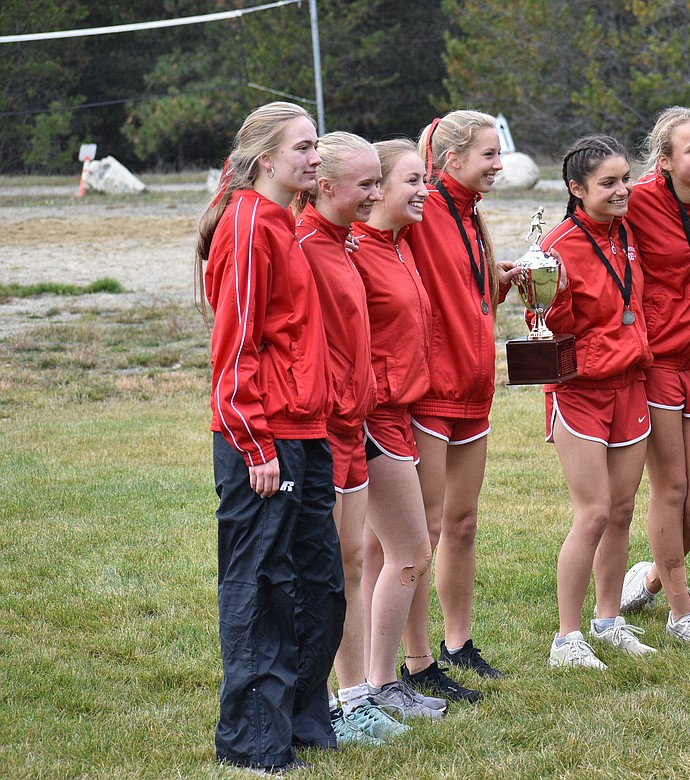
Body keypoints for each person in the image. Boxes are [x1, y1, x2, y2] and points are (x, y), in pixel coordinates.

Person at [195, 101, 345, 773]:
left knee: (318, 582)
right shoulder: (248, 226)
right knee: (261, 585)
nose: (317, 158)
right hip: (264, 436)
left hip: (306, 431)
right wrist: (254, 444)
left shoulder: (285, 223)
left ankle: (304, 724)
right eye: (304, 148)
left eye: (317, 146)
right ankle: (252, 740)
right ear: (267, 160)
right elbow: (234, 348)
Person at [294, 132, 427, 743]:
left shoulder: (346, 243)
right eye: (366, 185)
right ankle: (331, 701)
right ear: (323, 185)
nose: (376, 196)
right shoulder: (305, 247)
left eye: (381, 183)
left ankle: (355, 696)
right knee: (329, 569)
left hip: (357, 422)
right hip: (331, 426)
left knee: (350, 564)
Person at [353, 140, 483, 714]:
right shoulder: (357, 249)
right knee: (404, 553)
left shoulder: (399, 246)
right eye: (411, 180)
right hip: (376, 417)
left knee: (390, 555)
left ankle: (385, 680)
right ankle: (379, 685)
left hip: (399, 413)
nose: (422, 190)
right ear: (376, 188)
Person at [400, 110, 520, 693]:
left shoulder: (471, 214)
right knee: (423, 531)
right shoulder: (420, 210)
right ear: (451, 162)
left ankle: (458, 643)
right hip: (431, 392)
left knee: (462, 523)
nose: (499, 165)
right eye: (489, 156)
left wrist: (499, 280)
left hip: (474, 388)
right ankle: (416, 659)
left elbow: (458, 288)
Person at [619, 106, 690, 646]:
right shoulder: (637, 200)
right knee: (673, 488)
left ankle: (647, 578)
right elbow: (583, 227)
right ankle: (681, 612)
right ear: (664, 161)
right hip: (658, 360)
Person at [541, 135, 656, 669]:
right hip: (581, 391)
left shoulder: (629, 231)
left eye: (624, 179)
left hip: (630, 383)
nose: (621, 190)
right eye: (607, 183)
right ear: (576, 189)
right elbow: (544, 325)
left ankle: (608, 620)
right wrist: (547, 294)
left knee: (622, 511)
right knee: (592, 514)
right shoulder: (558, 246)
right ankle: (567, 638)